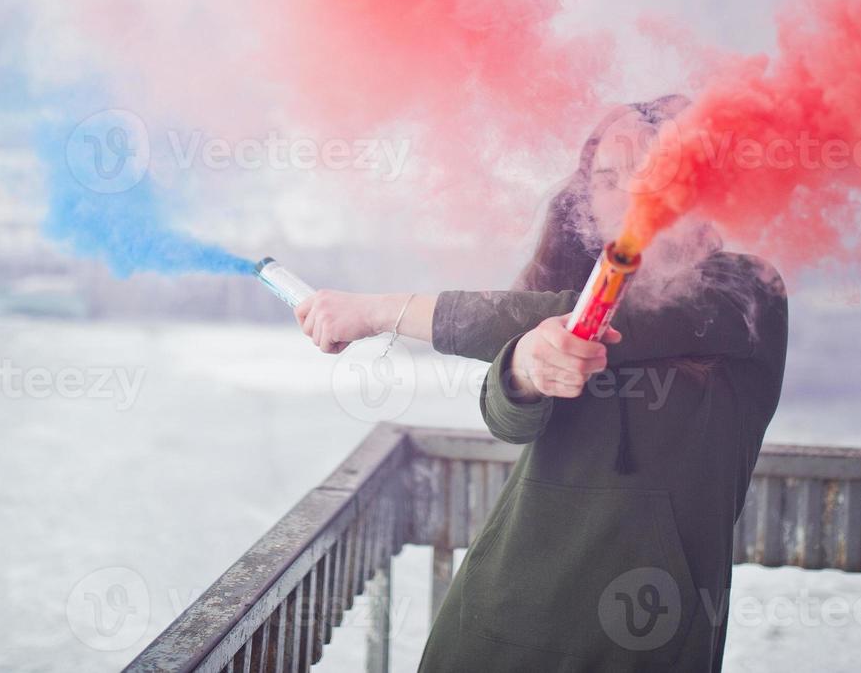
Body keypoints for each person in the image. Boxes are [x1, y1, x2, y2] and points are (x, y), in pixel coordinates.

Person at [294, 97, 788, 671]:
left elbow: (603, 316)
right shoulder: (563, 289)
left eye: (653, 174)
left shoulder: (747, 292)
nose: (629, 196)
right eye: (607, 179)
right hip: (491, 623)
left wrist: (382, 311)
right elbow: (507, 420)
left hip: (646, 637)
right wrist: (523, 369)